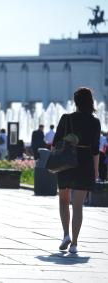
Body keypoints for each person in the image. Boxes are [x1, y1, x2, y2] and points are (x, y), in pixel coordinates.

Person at [53, 87, 100, 254]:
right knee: (78, 204)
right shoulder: (95, 122)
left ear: (75, 101)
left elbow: (55, 142)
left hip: (66, 161)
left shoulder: (66, 119)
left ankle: (65, 234)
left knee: (63, 200)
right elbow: (95, 149)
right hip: (85, 163)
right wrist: (96, 171)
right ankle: (74, 243)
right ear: (90, 102)